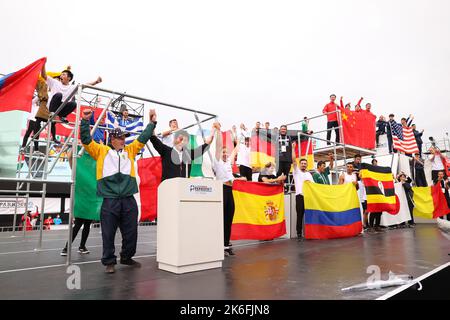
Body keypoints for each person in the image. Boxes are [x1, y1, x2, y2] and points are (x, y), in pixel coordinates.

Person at [80, 108, 156, 274]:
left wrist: (152, 123)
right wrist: (85, 121)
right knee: (108, 233)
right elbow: (86, 139)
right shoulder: (101, 151)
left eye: (124, 138)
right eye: (121, 138)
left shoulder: (130, 151)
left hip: (128, 198)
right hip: (110, 199)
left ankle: (127, 257)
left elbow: (143, 138)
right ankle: (109, 262)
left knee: (131, 232)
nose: (124, 140)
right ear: (113, 139)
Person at [39, 63, 102, 143]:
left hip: (62, 108)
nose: (61, 76)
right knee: (59, 95)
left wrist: (96, 82)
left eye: (63, 75)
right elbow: (44, 75)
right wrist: (43, 64)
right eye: (61, 75)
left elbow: (85, 85)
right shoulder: (55, 82)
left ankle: (62, 116)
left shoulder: (72, 87)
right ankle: (53, 114)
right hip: (53, 106)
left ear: (69, 78)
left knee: (73, 104)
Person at [213, 132, 247, 256]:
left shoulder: (228, 162)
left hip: (229, 191)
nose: (225, 154)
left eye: (226, 152)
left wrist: (236, 138)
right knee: (221, 219)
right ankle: (218, 245)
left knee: (229, 219)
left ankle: (226, 245)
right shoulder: (217, 162)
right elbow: (218, 146)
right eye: (223, 152)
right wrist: (217, 131)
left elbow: (236, 149)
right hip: (221, 189)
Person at [149, 122, 219, 181]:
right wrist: (152, 122)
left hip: (183, 190)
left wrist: (213, 131)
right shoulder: (166, 151)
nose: (181, 140)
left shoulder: (188, 154)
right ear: (174, 140)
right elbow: (153, 138)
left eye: (183, 139)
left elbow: (206, 145)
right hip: (169, 189)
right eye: (180, 138)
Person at [291, 152, 314, 241]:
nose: (304, 165)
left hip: (308, 197)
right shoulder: (296, 172)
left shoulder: (309, 174)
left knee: (310, 215)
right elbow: (293, 160)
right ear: (299, 164)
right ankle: (299, 233)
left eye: (305, 164)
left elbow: (313, 186)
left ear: (307, 165)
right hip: (300, 196)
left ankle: (309, 232)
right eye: (302, 163)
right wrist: (293, 149)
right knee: (300, 215)